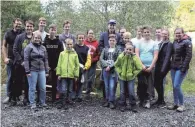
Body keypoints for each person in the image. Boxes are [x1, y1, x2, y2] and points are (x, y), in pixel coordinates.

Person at [167, 28, 192, 112]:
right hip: (173, 67)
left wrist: (183, 68)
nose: (177, 35)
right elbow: (172, 54)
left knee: (176, 85)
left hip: (181, 68)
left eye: (179, 33)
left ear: (183, 33)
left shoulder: (187, 42)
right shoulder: (174, 42)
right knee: (174, 87)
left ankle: (181, 105)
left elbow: (188, 56)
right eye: (176, 33)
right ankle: (175, 104)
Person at [135, 26, 159, 109]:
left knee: (150, 84)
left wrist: (151, 67)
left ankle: (148, 100)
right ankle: (141, 99)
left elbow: (155, 56)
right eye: (145, 32)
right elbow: (137, 54)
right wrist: (142, 65)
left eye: (148, 32)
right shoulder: (139, 42)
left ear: (150, 33)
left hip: (151, 66)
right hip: (141, 66)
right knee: (141, 83)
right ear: (142, 33)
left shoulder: (154, 43)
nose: (146, 33)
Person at [24, 32, 49, 109]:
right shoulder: (29, 47)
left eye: (39, 38)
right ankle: (32, 103)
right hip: (32, 70)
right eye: (35, 37)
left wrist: (47, 70)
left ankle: (42, 102)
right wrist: (27, 71)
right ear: (33, 38)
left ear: (40, 39)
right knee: (32, 88)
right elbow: (26, 59)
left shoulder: (43, 48)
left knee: (42, 87)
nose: (37, 39)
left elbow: (45, 60)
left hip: (42, 70)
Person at [115, 44, 142, 112]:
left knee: (131, 92)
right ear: (124, 49)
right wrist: (120, 72)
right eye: (127, 49)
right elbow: (116, 65)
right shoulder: (121, 56)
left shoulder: (135, 57)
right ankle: (122, 105)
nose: (128, 51)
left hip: (131, 78)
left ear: (132, 50)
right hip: (122, 77)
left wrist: (133, 73)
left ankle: (133, 105)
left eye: (130, 50)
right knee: (122, 92)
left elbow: (139, 68)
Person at [13, 20, 35, 106]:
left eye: (31, 26)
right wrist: (21, 61)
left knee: (28, 82)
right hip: (20, 63)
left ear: (33, 28)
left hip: (31, 65)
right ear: (25, 27)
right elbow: (15, 50)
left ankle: (27, 98)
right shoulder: (19, 37)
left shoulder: (35, 37)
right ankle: (15, 97)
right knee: (17, 81)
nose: (29, 28)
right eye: (27, 26)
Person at [2, 18, 23, 104]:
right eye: (16, 23)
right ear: (13, 24)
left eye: (19, 24)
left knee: (19, 78)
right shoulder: (8, 33)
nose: (18, 25)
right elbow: (3, 46)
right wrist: (5, 58)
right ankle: (8, 95)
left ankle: (18, 95)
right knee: (10, 77)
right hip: (10, 59)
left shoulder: (23, 33)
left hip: (20, 59)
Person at [56, 38, 80, 109]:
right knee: (63, 89)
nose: (69, 46)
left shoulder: (75, 54)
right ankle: (63, 102)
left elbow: (77, 65)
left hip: (71, 75)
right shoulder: (62, 54)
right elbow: (59, 64)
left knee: (70, 89)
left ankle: (68, 100)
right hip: (63, 75)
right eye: (68, 44)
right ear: (65, 45)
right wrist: (59, 74)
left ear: (72, 45)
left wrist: (76, 75)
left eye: (70, 44)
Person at [43, 24, 64, 102]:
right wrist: (46, 65)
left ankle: (54, 98)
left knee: (55, 82)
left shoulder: (59, 42)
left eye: (54, 30)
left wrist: (58, 66)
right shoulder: (45, 41)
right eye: (51, 29)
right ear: (49, 30)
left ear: (56, 31)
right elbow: (43, 53)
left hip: (56, 65)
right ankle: (43, 98)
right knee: (44, 82)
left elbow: (61, 55)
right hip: (46, 65)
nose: (53, 31)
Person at [153, 29, 172, 108]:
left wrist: (163, 69)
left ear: (168, 35)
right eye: (163, 34)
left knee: (160, 83)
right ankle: (159, 100)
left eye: (165, 34)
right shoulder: (160, 43)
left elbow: (167, 57)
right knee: (156, 83)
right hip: (158, 65)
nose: (164, 35)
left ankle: (162, 101)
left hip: (165, 66)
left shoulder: (169, 44)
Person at [100, 37, 121, 109]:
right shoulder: (105, 49)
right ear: (108, 41)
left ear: (116, 41)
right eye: (110, 40)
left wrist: (111, 66)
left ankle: (112, 101)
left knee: (112, 86)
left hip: (113, 71)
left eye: (113, 40)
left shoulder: (118, 50)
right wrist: (106, 66)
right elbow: (101, 58)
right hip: (105, 70)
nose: (112, 42)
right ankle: (107, 100)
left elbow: (118, 60)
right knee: (106, 86)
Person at [73, 33, 91, 102]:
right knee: (74, 81)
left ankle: (79, 95)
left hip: (83, 68)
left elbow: (89, 59)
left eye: (82, 38)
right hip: (75, 67)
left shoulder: (87, 48)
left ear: (84, 38)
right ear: (77, 38)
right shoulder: (74, 47)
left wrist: (86, 67)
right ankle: (73, 95)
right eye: (79, 38)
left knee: (81, 82)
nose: (81, 39)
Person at [84, 29, 100, 96]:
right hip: (85, 62)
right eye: (90, 33)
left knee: (91, 78)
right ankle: (81, 91)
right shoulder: (84, 42)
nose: (91, 35)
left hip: (93, 63)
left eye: (92, 33)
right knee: (85, 78)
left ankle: (88, 92)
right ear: (87, 34)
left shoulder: (96, 43)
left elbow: (98, 54)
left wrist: (94, 59)